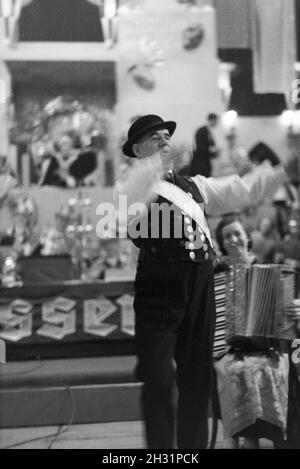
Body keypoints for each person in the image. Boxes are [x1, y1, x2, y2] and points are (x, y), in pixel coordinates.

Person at [116, 114, 295, 449]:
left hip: (200, 283)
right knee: (158, 377)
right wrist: (161, 159)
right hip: (159, 287)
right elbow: (133, 199)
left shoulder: (192, 185)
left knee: (197, 377)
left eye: (166, 136)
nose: (164, 140)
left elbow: (239, 190)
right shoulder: (131, 185)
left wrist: (282, 172)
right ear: (138, 150)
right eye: (154, 138)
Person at [214, 215, 292, 449]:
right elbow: (212, 317)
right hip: (228, 350)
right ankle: (243, 438)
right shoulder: (217, 273)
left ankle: (258, 438)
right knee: (239, 371)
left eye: (237, 233)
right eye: (227, 236)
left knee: (267, 370)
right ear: (221, 241)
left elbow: (286, 308)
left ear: (247, 237)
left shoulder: (266, 268)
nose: (233, 239)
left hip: (265, 348)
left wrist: (294, 308)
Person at [189, 113, 219, 177]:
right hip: (200, 163)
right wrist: (210, 149)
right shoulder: (201, 131)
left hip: (206, 162)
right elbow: (199, 146)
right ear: (212, 120)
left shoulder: (209, 132)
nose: (217, 123)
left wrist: (216, 152)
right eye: (216, 121)